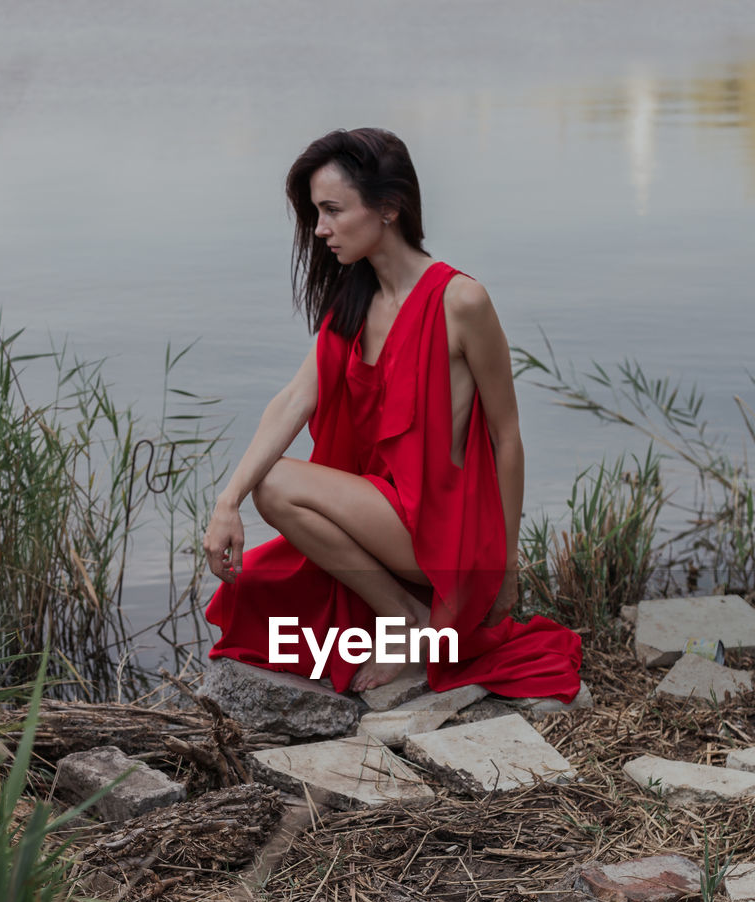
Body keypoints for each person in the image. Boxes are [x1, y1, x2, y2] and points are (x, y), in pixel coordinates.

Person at [203, 127, 581, 699]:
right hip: (390, 519)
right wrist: (226, 501)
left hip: (446, 532)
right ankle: (402, 612)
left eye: (332, 210)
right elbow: (294, 398)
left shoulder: (461, 301)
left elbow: (507, 437)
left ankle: (407, 622)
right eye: (315, 213)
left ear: (388, 208)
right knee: (263, 538)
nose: (320, 229)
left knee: (274, 481)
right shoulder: (354, 300)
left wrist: (503, 567)